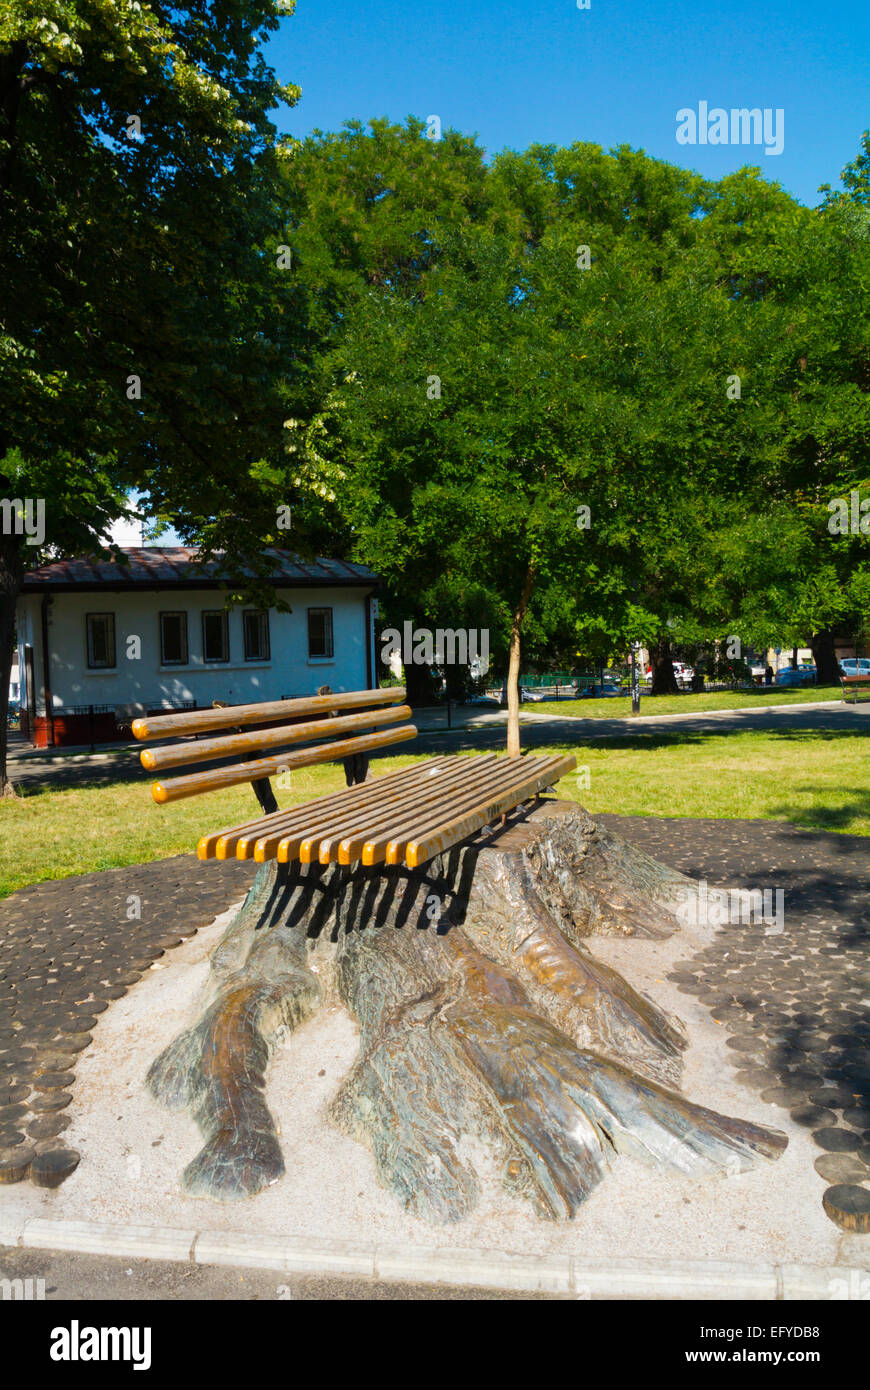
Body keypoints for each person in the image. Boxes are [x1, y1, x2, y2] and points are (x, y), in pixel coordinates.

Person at [317, 684, 369, 786]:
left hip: (349, 737)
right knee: (350, 761)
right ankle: (352, 782)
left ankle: (356, 781)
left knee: (355, 759)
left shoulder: (338, 706)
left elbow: (344, 724)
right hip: (344, 738)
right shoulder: (332, 709)